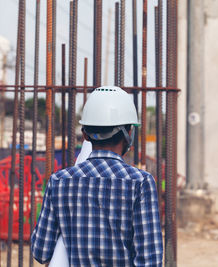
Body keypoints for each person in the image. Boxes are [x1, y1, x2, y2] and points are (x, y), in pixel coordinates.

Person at [31, 86, 163, 266]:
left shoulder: (59, 182)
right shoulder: (140, 182)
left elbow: (41, 251)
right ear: (129, 133)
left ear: (85, 135)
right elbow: (150, 260)